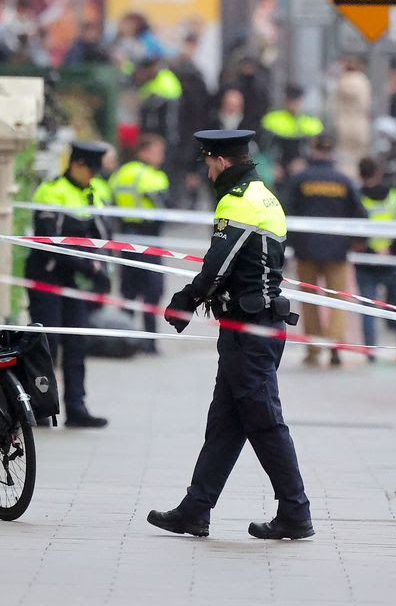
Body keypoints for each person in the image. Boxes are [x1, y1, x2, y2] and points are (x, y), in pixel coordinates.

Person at [148, 129, 313, 540]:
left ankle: (296, 510)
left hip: (250, 332)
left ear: (222, 161)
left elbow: (219, 265)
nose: (206, 171)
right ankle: (195, 509)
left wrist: (186, 300)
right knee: (224, 422)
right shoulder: (265, 196)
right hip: (252, 327)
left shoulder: (237, 202)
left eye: (207, 163)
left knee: (264, 421)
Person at [25, 142, 111, 428]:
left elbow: (101, 236)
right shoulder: (50, 192)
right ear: (76, 164)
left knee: (76, 340)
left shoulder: (93, 192)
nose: (95, 176)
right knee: (48, 342)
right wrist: (90, 266)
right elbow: (50, 245)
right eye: (91, 170)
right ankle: (41, 407)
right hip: (46, 275)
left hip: (72, 279)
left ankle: (76, 407)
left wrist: (103, 268)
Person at [282, 133, 368, 367]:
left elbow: (285, 211)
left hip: (305, 249)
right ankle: (335, 344)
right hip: (337, 250)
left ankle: (313, 349)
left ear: (312, 150)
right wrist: (358, 240)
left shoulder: (300, 179)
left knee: (309, 301)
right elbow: (359, 213)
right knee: (337, 299)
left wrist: (286, 244)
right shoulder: (343, 181)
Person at [108, 134, 170, 353]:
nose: (161, 157)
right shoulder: (154, 177)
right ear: (144, 152)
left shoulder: (121, 173)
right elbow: (163, 207)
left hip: (126, 234)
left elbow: (110, 200)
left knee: (129, 289)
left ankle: (125, 340)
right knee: (153, 290)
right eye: (157, 152)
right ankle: (150, 342)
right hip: (149, 236)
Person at [355, 157, 396, 360]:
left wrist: (372, 251)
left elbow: (352, 229)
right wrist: (391, 249)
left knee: (368, 309)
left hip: (366, 261)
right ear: (378, 173)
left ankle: (371, 353)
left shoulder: (357, 196)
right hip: (393, 259)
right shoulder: (394, 194)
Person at [170, 33, 212, 209]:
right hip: (184, 127)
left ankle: (187, 200)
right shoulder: (180, 70)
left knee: (189, 166)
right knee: (182, 166)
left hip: (191, 127)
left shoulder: (195, 72)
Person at [260, 84, 324, 179]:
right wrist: (272, 165)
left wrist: (304, 162)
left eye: (296, 100)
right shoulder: (272, 119)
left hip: (303, 166)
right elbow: (265, 147)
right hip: (278, 166)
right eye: (291, 100)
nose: (294, 104)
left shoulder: (312, 122)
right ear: (286, 100)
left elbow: (317, 150)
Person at [333, 56, 373, 178]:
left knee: (344, 158)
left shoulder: (341, 81)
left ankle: (346, 180)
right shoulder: (363, 81)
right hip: (361, 125)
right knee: (359, 157)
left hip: (343, 125)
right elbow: (366, 104)